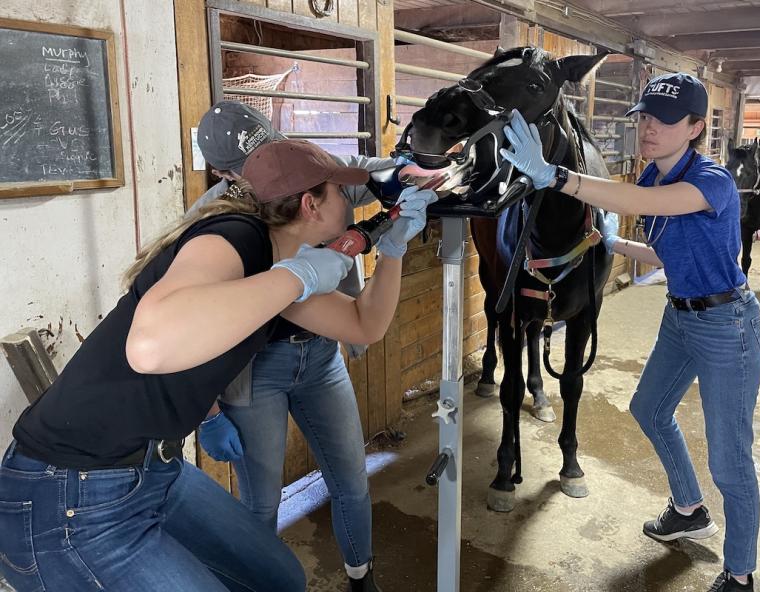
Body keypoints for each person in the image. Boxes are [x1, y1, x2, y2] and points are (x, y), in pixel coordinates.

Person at [0, 138, 435, 591]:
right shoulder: (233, 235)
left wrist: (393, 250)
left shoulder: (275, 264)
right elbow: (148, 347)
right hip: (68, 494)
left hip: (153, 471)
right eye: (341, 194)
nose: (350, 204)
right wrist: (296, 278)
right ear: (311, 205)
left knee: (279, 578)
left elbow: (364, 324)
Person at [499, 72, 760, 592]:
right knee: (648, 408)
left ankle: (740, 573)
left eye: (663, 120)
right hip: (680, 314)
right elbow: (666, 247)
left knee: (730, 457)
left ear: (694, 127)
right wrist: (615, 245)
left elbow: (634, 204)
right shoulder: (651, 178)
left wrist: (556, 176)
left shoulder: (713, 181)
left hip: (726, 323)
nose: (648, 127)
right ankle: (688, 507)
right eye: (643, 116)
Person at [192, 101, 398, 591]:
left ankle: (361, 578)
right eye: (254, 165)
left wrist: (403, 168)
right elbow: (190, 323)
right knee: (261, 503)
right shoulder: (212, 222)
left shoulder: (300, 174)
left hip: (321, 354)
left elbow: (360, 175)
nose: (273, 171)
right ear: (223, 174)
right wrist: (208, 411)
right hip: (255, 368)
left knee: (351, 479)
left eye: (273, 152)